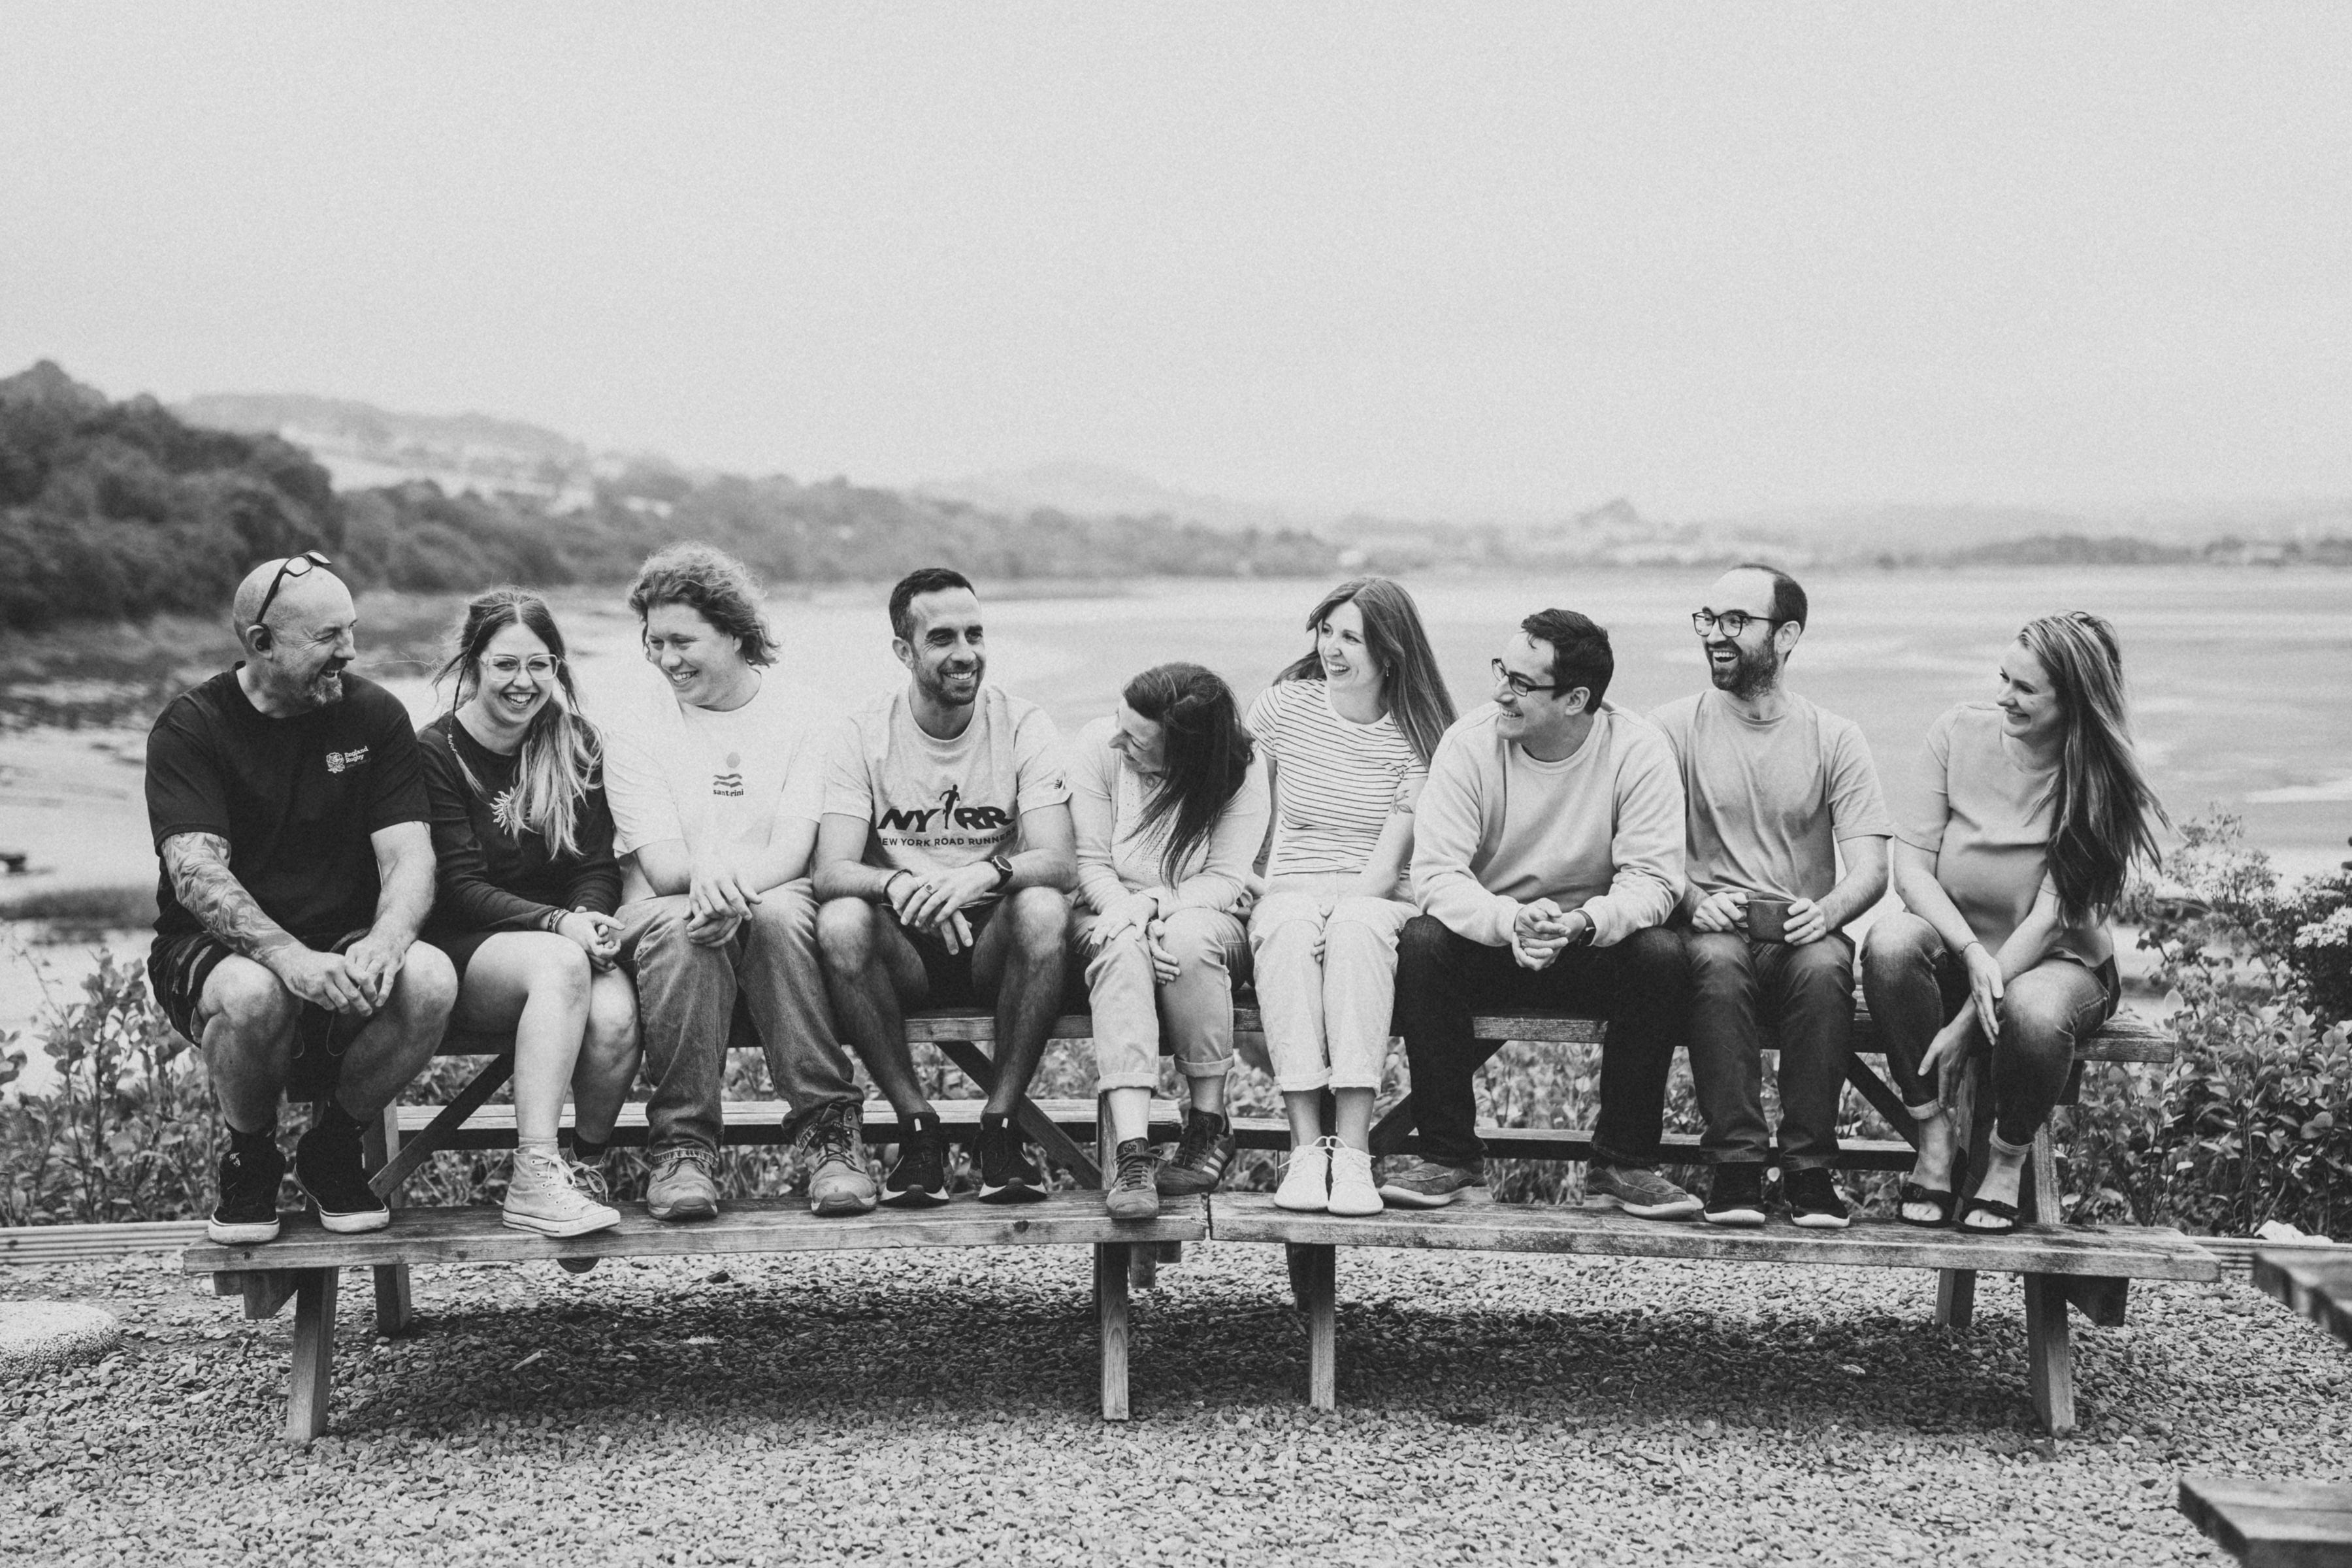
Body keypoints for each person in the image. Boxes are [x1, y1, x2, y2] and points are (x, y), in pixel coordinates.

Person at [146, 553, 456, 1245]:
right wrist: (289, 957)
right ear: (260, 644)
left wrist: (387, 940)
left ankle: (332, 1145)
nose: (350, 651)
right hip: (212, 947)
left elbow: (409, 856)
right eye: (327, 638)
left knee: (431, 979)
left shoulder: (375, 715)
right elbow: (196, 872)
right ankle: (251, 1158)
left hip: (341, 934)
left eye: (350, 631)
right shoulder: (191, 727)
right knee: (258, 993)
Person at [1386, 608, 1697, 1217]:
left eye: (1523, 683)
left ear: (1577, 698)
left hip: (1588, 943)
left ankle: (1624, 1165)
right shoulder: (1470, 742)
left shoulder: (1638, 750)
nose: (1501, 690)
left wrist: (1585, 925)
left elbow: (1655, 880)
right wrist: (1509, 922)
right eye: (1503, 669)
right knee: (1422, 943)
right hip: (1492, 939)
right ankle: (1449, 1158)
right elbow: (1436, 874)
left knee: (1662, 954)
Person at [1865, 612, 2167, 1233]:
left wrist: (1970, 1019)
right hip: (1959, 944)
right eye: (2004, 677)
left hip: (2058, 961)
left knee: (2031, 1011)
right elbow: (1911, 874)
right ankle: (1933, 1135)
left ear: (2073, 700)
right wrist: (1972, 953)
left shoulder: (2098, 782)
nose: (2004, 695)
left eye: (2025, 689)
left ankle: (2006, 1157)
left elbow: (2050, 921)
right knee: (1889, 944)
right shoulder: (1955, 733)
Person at [602, 545, 874, 1222]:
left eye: (683, 641)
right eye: (654, 643)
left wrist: (729, 887)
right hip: (666, 910)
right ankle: (683, 1149)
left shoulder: (809, 715)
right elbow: (663, 865)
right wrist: (709, 884)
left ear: (734, 633)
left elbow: (793, 848)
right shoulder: (634, 727)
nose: (667, 659)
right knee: (684, 925)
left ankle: (829, 1137)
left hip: (777, 897)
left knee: (780, 915)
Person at [813, 567, 1076, 1207]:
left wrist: (980, 876)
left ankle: (1001, 1128)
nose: (965, 653)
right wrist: (905, 885)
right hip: (904, 946)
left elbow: (1060, 862)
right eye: (942, 639)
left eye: (975, 633)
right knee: (842, 922)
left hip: (995, 942)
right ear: (904, 651)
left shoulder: (1022, 723)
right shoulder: (863, 733)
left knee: (1043, 908)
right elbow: (832, 871)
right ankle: (918, 1129)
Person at [1650, 565, 1890, 1230]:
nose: (1716, 636)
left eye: (1735, 622)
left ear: (1786, 636)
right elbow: (1641, 851)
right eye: (1708, 619)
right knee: (1717, 964)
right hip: (1712, 931)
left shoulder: (1835, 737)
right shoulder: (1671, 729)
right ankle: (1737, 1168)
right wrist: (1693, 899)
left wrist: (1829, 912)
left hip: (1801, 934)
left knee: (1826, 966)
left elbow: (1872, 868)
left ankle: (1811, 1171)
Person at [417, 589, 634, 1237]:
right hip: (470, 949)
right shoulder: (435, 751)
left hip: (563, 943)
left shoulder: (574, 742)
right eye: (506, 665)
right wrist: (559, 926)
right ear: (473, 663)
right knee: (563, 962)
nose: (523, 682)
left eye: (540, 666)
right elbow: (457, 887)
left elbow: (596, 864)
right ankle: (534, 1175)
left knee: (618, 1021)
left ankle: (585, 1167)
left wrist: (591, 918)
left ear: (558, 669)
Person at [1245, 577, 1456, 1217]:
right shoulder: (1284, 708)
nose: (1331, 648)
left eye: (1351, 638)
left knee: (1356, 927)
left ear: (1389, 652)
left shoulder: (1420, 735)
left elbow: (1386, 867)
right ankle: (1307, 1151)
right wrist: (1257, 890)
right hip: (1293, 887)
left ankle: (1356, 1155)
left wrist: (1329, 914)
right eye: (1326, 631)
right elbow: (1248, 820)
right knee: (1283, 925)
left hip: (1379, 896)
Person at [1071, 664, 1269, 1220]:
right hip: (1108, 911)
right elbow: (1088, 863)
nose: (1117, 740)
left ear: (1185, 755)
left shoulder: (1242, 769)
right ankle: (1133, 1153)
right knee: (1124, 948)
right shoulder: (1098, 748)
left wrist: (1153, 904)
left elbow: (1227, 878)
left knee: (1186, 939)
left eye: (1135, 738)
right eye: (1119, 722)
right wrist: (1130, 916)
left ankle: (1207, 1124)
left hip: (1205, 913)